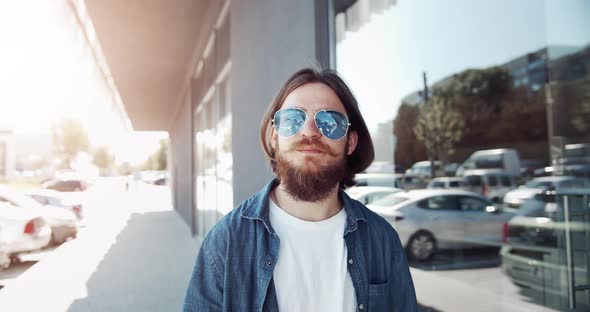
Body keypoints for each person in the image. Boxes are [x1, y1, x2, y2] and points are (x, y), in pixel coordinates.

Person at [183, 68, 418, 311]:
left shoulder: (382, 240)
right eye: (293, 119)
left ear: (350, 142)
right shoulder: (226, 241)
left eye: (329, 122)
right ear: (275, 137)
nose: (309, 132)